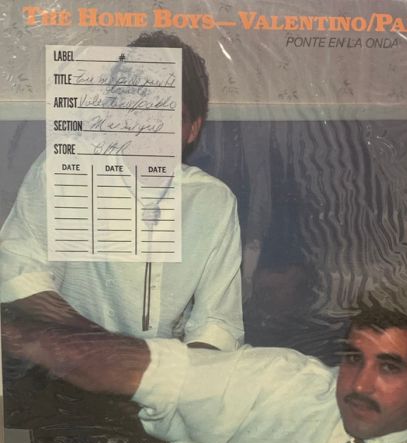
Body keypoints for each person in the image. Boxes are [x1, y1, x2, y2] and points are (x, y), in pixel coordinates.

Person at [0, 31, 243, 351]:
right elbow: (19, 273)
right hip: (66, 362)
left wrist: (170, 377)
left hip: (165, 373)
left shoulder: (213, 201)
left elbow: (218, 324)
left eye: (165, 113)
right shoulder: (68, 169)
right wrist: (110, 356)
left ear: (192, 129)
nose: (146, 127)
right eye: (135, 108)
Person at [1, 299, 407, 443]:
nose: (359, 384)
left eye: (390, 367)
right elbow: (157, 372)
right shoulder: (292, 386)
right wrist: (22, 338)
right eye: (354, 359)